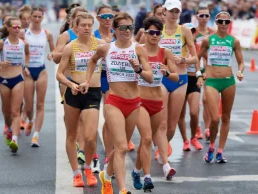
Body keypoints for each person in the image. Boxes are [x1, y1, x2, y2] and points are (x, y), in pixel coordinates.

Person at [82, 12, 153, 194]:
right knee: (121, 146)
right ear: (114, 29)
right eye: (123, 27)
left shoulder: (138, 49)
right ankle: (122, 188)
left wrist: (138, 69)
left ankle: (106, 175)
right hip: (114, 101)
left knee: (122, 146)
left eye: (130, 27)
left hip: (134, 102)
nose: (127, 31)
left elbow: (150, 78)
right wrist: (88, 81)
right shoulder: (106, 49)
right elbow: (92, 61)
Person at [57, 12, 105, 187]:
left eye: (89, 25)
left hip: (92, 92)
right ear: (75, 27)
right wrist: (70, 84)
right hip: (74, 93)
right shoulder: (70, 47)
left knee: (90, 136)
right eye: (82, 25)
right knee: (72, 135)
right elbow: (59, 74)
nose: (86, 28)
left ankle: (87, 169)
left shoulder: (100, 45)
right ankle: (76, 173)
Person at [132, 17, 178, 192]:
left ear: (161, 34)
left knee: (148, 140)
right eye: (151, 32)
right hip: (140, 100)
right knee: (146, 138)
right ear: (144, 33)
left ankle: (136, 171)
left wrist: (166, 73)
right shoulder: (137, 50)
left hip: (157, 100)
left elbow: (175, 76)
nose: (154, 36)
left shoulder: (166, 53)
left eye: (158, 33)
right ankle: (147, 177)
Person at [154, 0, 199, 160]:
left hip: (180, 79)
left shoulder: (185, 31)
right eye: (171, 11)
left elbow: (195, 58)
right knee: (163, 122)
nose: (174, 14)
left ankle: (163, 144)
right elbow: (146, 51)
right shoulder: (157, 30)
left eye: (177, 12)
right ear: (164, 11)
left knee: (172, 126)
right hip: (161, 79)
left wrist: (184, 60)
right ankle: (162, 150)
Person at [197, 11, 244, 163]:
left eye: (226, 22)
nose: (224, 24)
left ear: (230, 23)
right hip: (211, 81)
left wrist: (240, 71)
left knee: (226, 117)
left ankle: (220, 151)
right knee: (215, 118)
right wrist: (199, 73)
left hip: (228, 81)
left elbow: (241, 62)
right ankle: (211, 146)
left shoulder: (234, 41)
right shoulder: (208, 40)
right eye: (221, 21)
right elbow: (197, 58)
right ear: (216, 23)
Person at [0, 16, 30, 153]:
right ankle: (8, 128)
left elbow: (27, 55)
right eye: (15, 27)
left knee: (15, 111)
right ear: (9, 28)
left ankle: (15, 139)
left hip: (18, 78)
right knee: (7, 112)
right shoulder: (2, 43)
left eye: (19, 27)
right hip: (4, 79)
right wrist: (0, 64)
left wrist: (25, 66)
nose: (17, 29)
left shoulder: (23, 43)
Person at [53, 6, 88, 165]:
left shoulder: (90, 35)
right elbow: (56, 58)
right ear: (72, 20)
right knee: (73, 118)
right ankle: (74, 140)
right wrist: (70, 49)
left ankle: (80, 150)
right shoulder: (65, 36)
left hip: (86, 80)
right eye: (78, 17)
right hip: (67, 80)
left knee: (83, 118)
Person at [20, 6, 54, 146]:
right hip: (27, 71)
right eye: (34, 16)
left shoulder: (47, 34)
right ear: (31, 16)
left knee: (40, 104)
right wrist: (23, 67)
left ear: (43, 17)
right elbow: (16, 50)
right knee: (28, 106)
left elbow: (55, 50)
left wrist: (52, 54)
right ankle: (30, 120)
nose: (37, 19)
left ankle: (36, 135)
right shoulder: (23, 33)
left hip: (41, 70)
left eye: (40, 17)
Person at [94, 3, 116, 173]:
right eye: (104, 17)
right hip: (96, 77)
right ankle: (92, 154)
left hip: (114, 79)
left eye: (111, 17)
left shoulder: (118, 34)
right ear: (98, 18)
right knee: (92, 119)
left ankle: (109, 157)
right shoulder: (93, 35)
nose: (108, 20)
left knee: (109, 118)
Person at [178, 23, 203, 152]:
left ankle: (193, 137)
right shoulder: (179, 46)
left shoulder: (197, 47)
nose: (191, 34)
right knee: (180, 114)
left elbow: (203, 62)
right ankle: (185, 141)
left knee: (194, 112)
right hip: (182, 80)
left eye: (193, 32)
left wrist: (200, 76)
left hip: (193, 80)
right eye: (189, 32)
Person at [195, 6, 216, 141]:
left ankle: (207, 128)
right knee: (195, 101)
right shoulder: (192, 32)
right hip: (195, 68)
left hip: (208, 68)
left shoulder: (213, 33)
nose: (204, 18)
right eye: (201, 16)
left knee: (206, 99)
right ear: (197, 17)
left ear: (209, 17)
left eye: (206, 16)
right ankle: (197, 127)